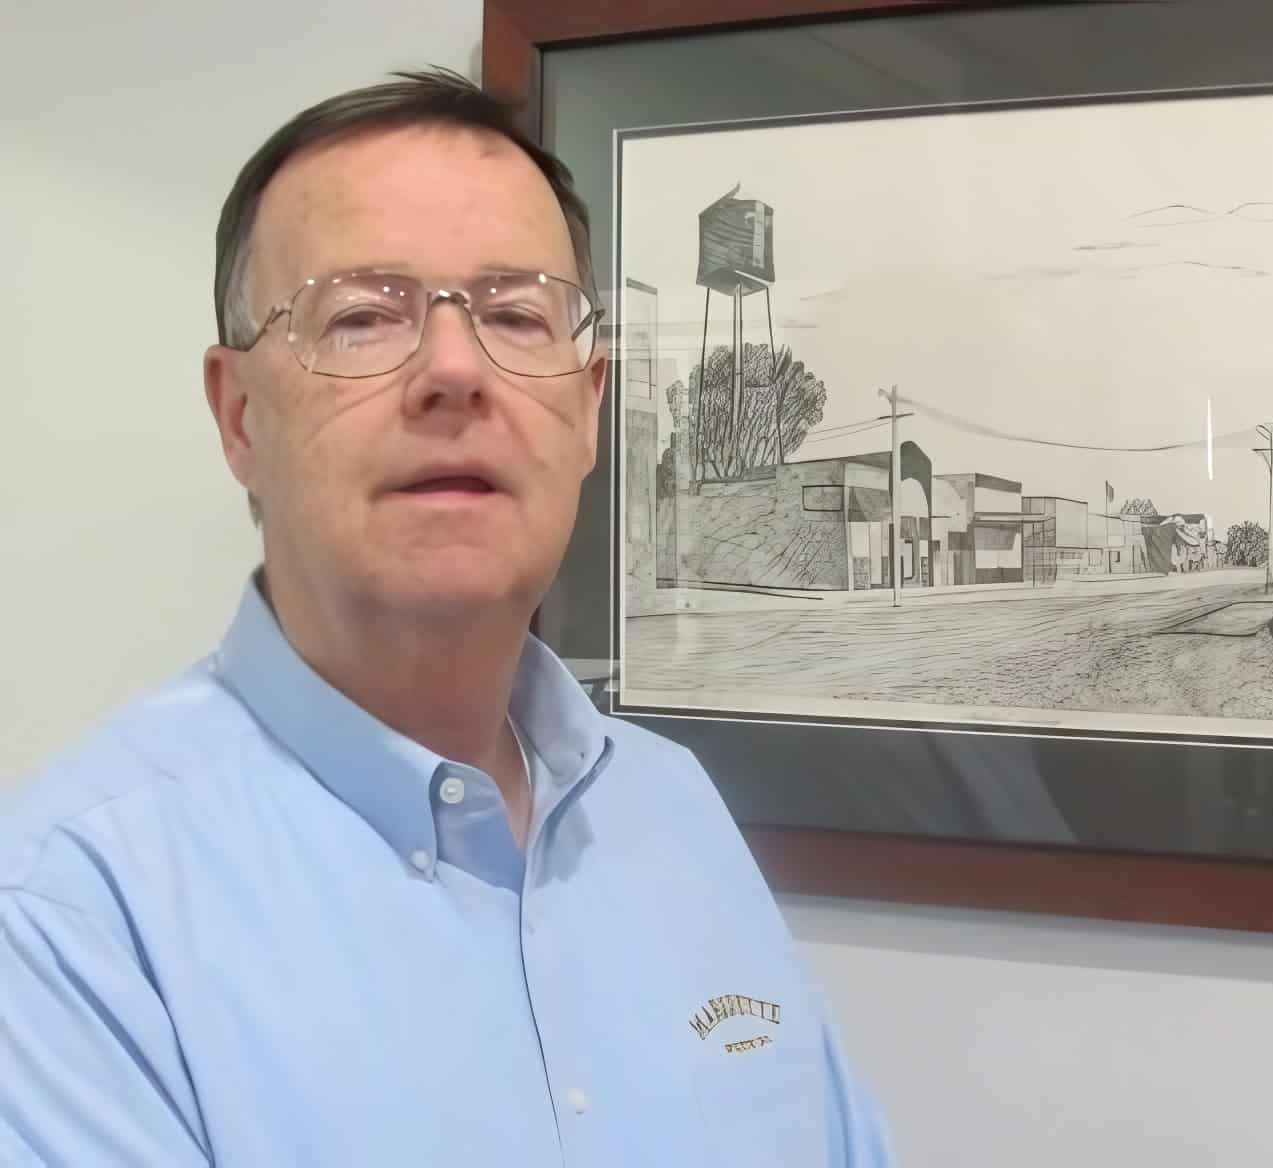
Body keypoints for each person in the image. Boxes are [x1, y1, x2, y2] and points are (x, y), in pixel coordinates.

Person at [0, 68, 894, 1167]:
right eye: (365, 316)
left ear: (589, 409)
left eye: (517, 314)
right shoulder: (66, 919)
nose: (456, 371)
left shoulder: (674, 811)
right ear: (240, 417)